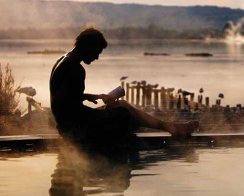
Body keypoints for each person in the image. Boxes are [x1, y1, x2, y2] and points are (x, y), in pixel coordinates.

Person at [49, 27, 198, 142]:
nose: (96, 57)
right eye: (97, 52)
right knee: (122, 113)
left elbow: (66, 98)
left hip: (68, 123)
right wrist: (101, 112)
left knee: (122, 105)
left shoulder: (63, 60)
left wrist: (93, 97)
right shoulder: (75, 68)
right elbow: (71, 108)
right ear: (88, 47)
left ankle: (170, 127)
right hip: (73, 129)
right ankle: (167, 129)